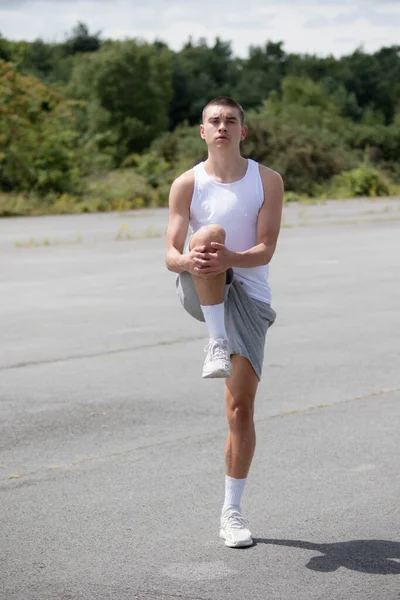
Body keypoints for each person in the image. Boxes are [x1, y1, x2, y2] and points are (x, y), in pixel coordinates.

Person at [165, 97, 284, 548]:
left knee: (240, 409)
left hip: (249, 295)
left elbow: (266, 249)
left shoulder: (267, 180)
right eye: (213, 121)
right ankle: (216, 340)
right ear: (202, 131)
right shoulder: (186, 184)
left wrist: (229, 259)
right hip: (202, 287)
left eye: (230, 121)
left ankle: (231, 511)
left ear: (243, 131)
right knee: (208, 234)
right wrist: (195, 259)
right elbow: (170, 254)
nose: (222, 127)